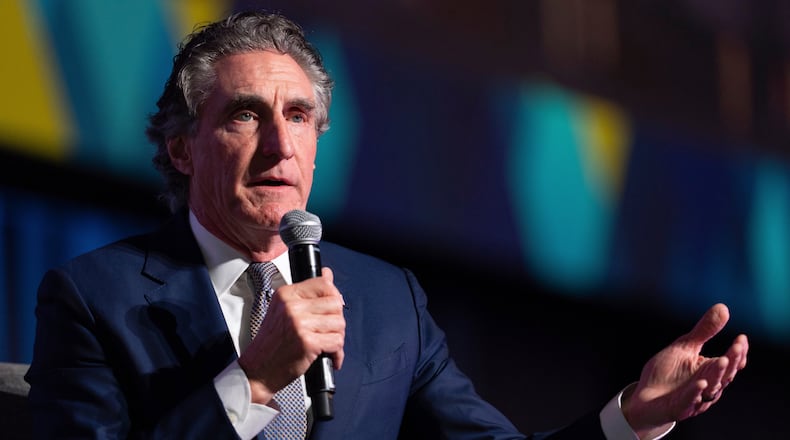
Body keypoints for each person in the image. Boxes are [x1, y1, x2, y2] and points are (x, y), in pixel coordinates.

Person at [25, 10, 749, 439]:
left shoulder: (386, 301)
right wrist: (253, 381)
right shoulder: (94, 297)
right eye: (246, 114)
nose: (280, 146)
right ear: (182, 147)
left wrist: (630, 418)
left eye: (300, 117)